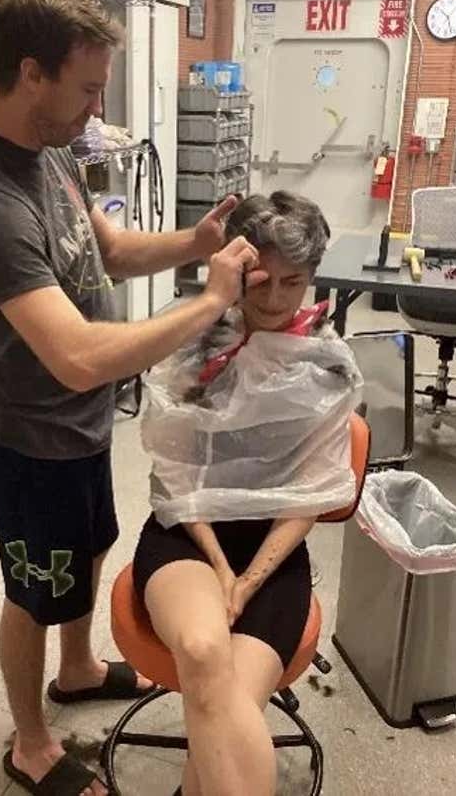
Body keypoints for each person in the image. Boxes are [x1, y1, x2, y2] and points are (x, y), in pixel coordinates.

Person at [0, 0, 260, 796]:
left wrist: (193, 241)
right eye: (85, 88)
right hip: (28, 437)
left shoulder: (49, 152)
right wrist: (211, 302)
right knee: (32, 592)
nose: (95, 107)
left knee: (88, 551)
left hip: (79, 426)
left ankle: (76, 669)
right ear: (30, 74)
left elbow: (107, 251)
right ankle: (31, 744)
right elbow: (76, 356)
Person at [134, 191, 352, 796]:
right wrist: (221, 569)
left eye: (294, 283)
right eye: (261, 282)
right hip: (188, 534)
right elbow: (175, 479)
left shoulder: (327, 365)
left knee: (223, 701)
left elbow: (309, 496)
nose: (277, 301)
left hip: (274, 553)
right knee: (204, 651)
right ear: (235, 269)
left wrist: (249, 580)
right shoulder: (194, 344)